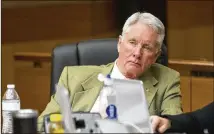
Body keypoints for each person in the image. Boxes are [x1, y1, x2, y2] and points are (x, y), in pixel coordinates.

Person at [37, 12, 183, 131]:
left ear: (156, 56)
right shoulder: (74, 77)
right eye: (132, 42)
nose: (137, 53)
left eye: (147, 47)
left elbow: (177, 128)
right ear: (120, 44)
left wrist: (165, 124)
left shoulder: (167, 80)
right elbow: (41, 125)